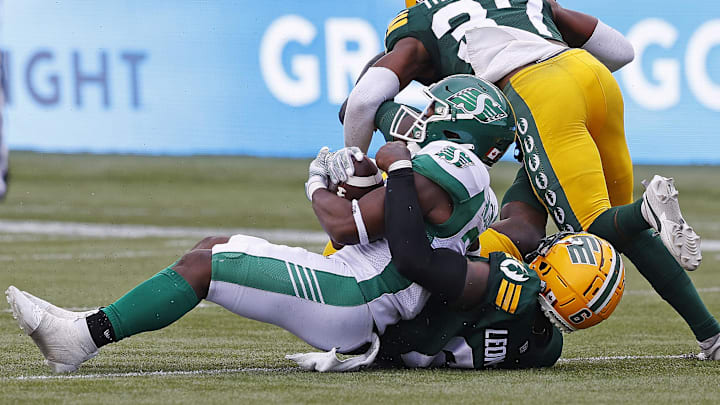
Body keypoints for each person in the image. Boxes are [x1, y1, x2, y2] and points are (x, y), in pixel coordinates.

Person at [339, 0, 720, 359]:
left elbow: (361, 102)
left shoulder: (420, 24)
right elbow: (621, 51)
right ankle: (711, 334)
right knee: (617, 228)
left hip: (537, 94)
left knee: (592, 229)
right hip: (594, 78)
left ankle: (649, 209)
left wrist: (361, 170)